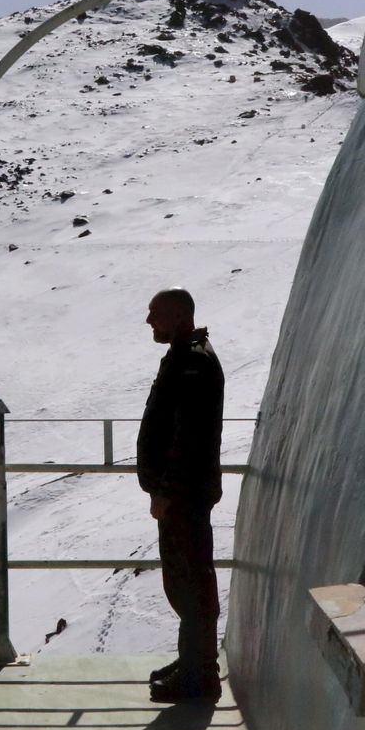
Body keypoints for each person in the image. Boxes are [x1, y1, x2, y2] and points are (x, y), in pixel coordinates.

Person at [136, 287, 224, 703]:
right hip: (183, 495)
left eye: (156, 313)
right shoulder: (184, 356)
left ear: (178, 316)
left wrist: (166, 492)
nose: (149, 321)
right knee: (184, 583)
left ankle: (200, 675)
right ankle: (194, 663)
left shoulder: (193, 363)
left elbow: (186, 439)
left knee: (191, 584)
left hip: (184, 496)